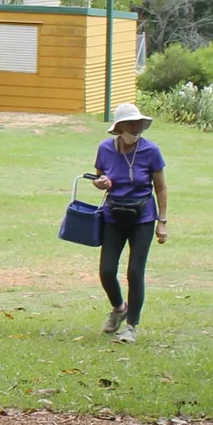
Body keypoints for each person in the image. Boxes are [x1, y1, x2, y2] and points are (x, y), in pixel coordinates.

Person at [90, 102, 168, 343]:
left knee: (135, 271)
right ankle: (118, 309)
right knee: (107, 271)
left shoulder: (151, 151)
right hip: (113, 215)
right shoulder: (105, 149)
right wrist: (100, 183)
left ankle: (131, 326)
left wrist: (162, 222)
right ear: (119, 128)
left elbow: (161, 188)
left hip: (142, 217)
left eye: (139, 125)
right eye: (131, 125)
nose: (135, 129)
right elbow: (97, 176)